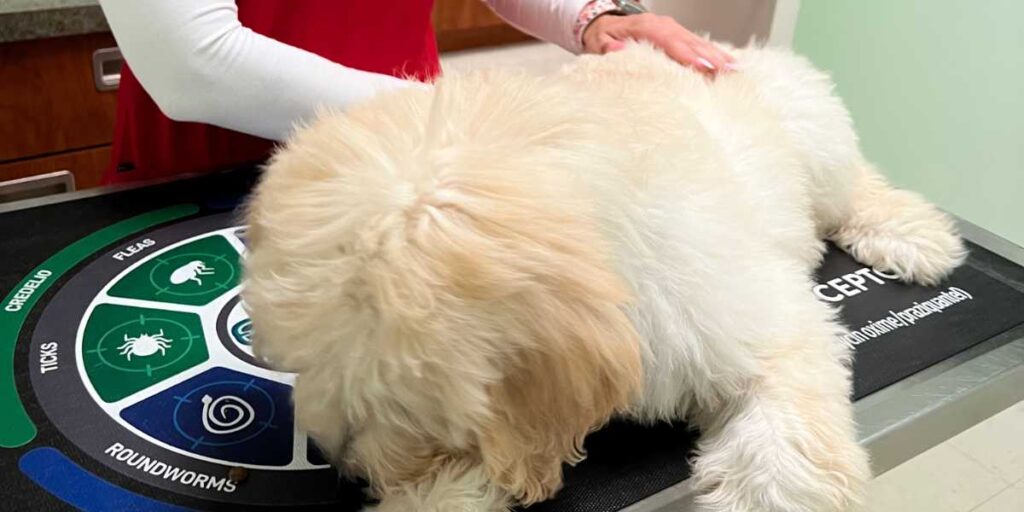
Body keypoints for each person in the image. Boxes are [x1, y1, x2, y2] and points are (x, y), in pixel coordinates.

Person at [99, 0, 734, 185]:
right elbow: (193, 65)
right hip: (215, 176)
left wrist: (591, 18)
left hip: (413, 159)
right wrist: (459, 115)